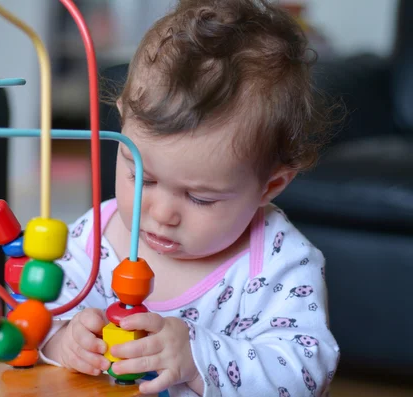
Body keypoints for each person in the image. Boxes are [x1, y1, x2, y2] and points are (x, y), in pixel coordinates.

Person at [39, 0, 340, 395]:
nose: (161, 214)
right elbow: (37, 315)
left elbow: (304, 373)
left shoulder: (279, 264)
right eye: (140, 177)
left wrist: (198, 357)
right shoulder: (94, 235)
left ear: (269, 186)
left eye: (200, 198)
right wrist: (62, 341)